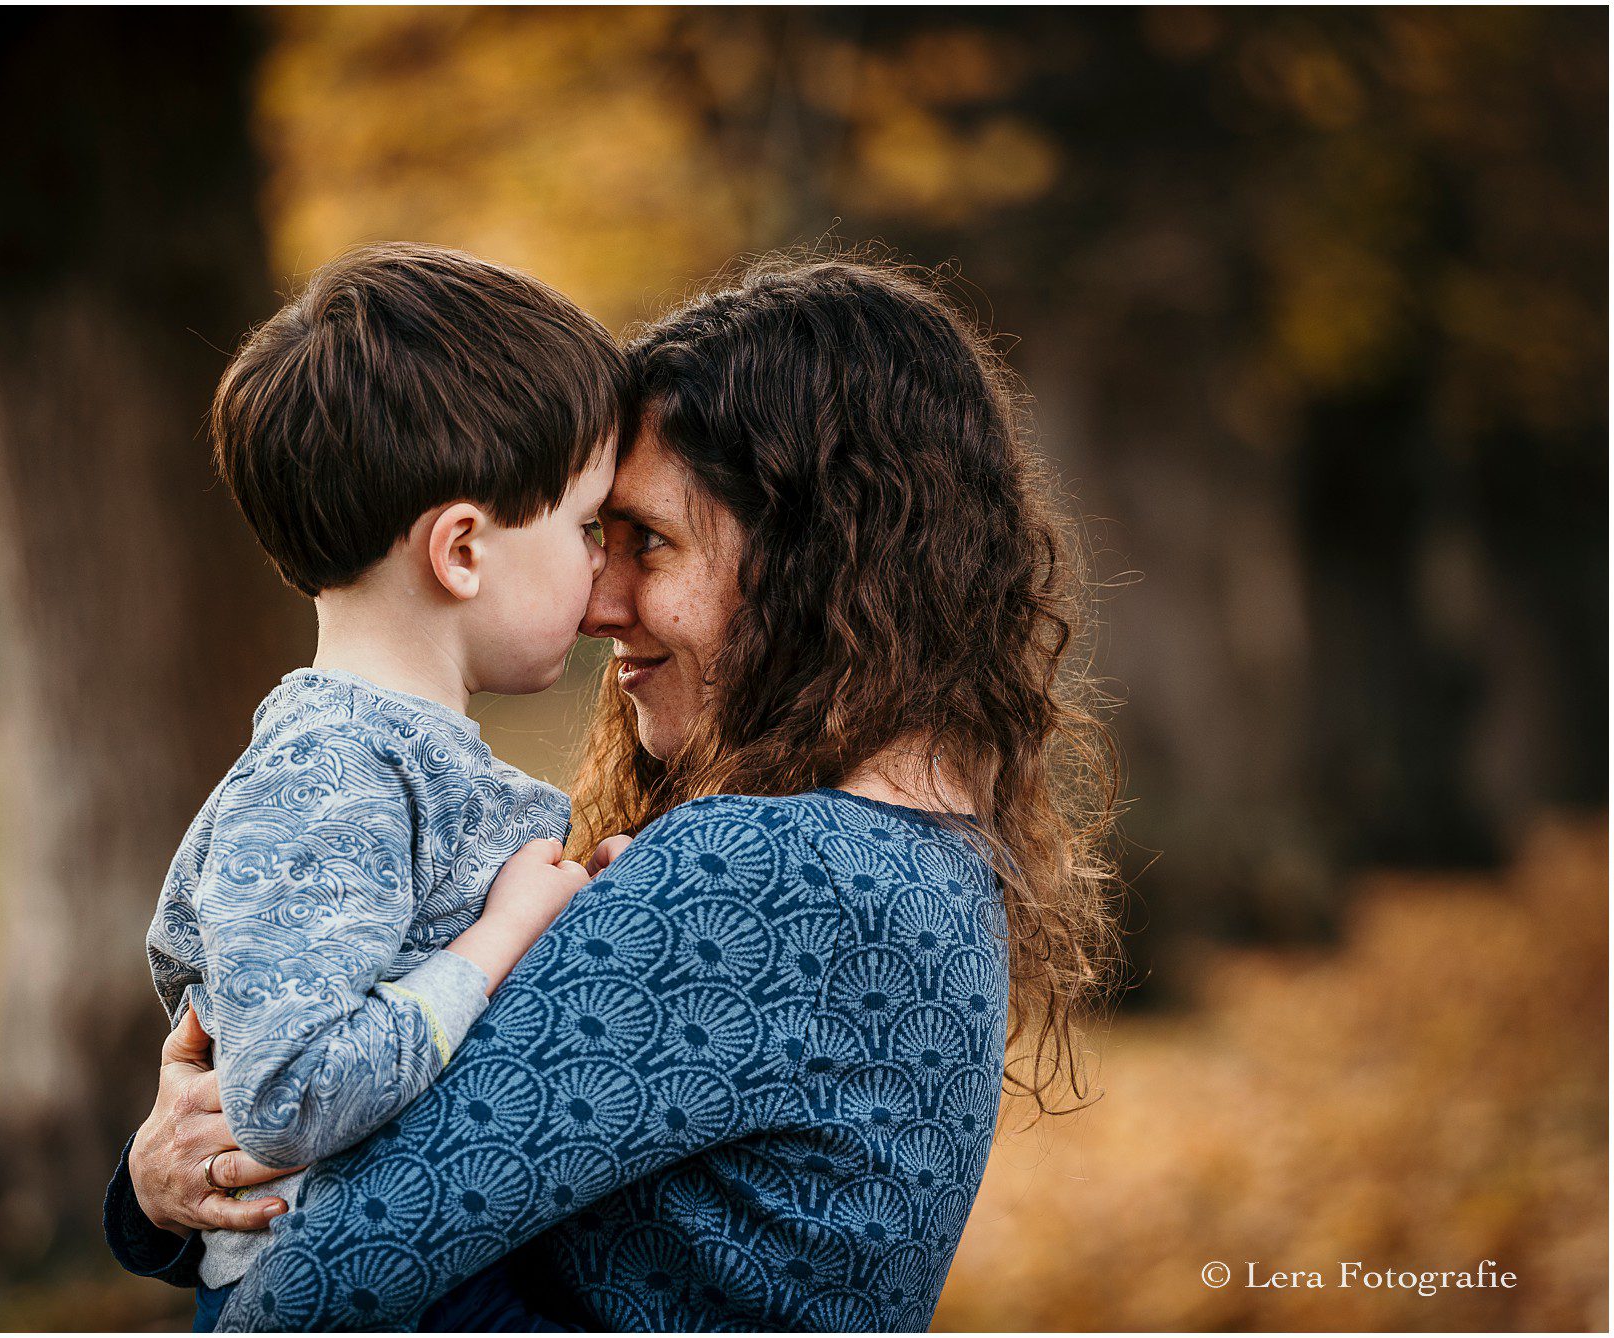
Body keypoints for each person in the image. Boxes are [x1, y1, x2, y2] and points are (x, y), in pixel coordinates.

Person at [108, 255, 1120, 1330]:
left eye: (646, 540)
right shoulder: (932, 862)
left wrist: (153, 1204)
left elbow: (324, 1282)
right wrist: (157, 1191)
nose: (600, 600)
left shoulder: (759, 874)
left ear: (815, 556)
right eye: (596, 536)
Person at [139, 241, 634, 1329]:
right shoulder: (326, 778)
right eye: (585, 528)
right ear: (460, 550)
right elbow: (294, 1094)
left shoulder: (396, 762)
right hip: (355, 1293)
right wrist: (507, 933)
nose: (605, 572)